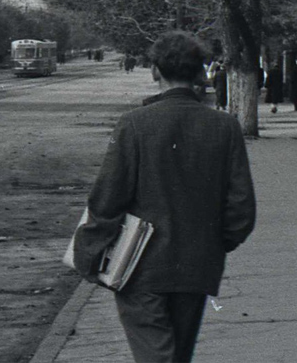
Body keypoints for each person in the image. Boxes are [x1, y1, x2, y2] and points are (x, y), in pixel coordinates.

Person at [71, 31, 257, 362]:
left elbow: (107, 198)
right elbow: (241, 207)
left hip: (140, 266)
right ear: (200, 72)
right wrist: (214, 242)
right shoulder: (225, 126)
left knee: (155, 356)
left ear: (156, 70)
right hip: (197, 266)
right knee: (176, 356)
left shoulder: (134, 124)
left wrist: (88, 255)